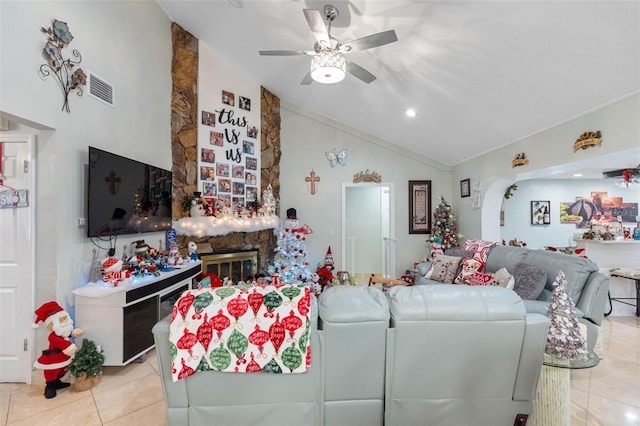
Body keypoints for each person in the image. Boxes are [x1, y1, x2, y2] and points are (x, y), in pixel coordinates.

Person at [32, 301, 85, 398]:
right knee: (52, 371)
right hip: (53, 358)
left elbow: (67, 334)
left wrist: (74, 333)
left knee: (61, 370)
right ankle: (50, 387)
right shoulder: (53, 336)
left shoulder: (62, 332)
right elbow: (62, 342)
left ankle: (57, 382)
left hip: (62, 357)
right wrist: (69, 347)